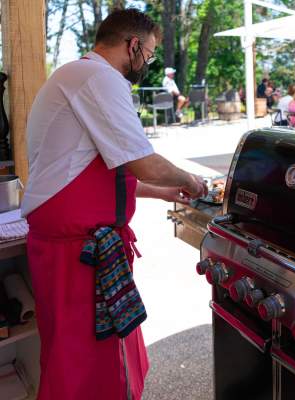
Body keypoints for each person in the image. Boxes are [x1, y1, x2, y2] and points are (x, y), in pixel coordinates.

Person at [22, 9, 208, 400]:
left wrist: (162, 192)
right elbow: (142, 160)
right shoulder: (99, 78)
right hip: (78, 252)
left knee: (68, 359)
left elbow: (89, 173)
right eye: (150, 53)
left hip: (69, 244)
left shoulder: (78, 76)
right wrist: (192, 181)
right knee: (93, 367)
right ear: (133, 44)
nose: (149, 62)